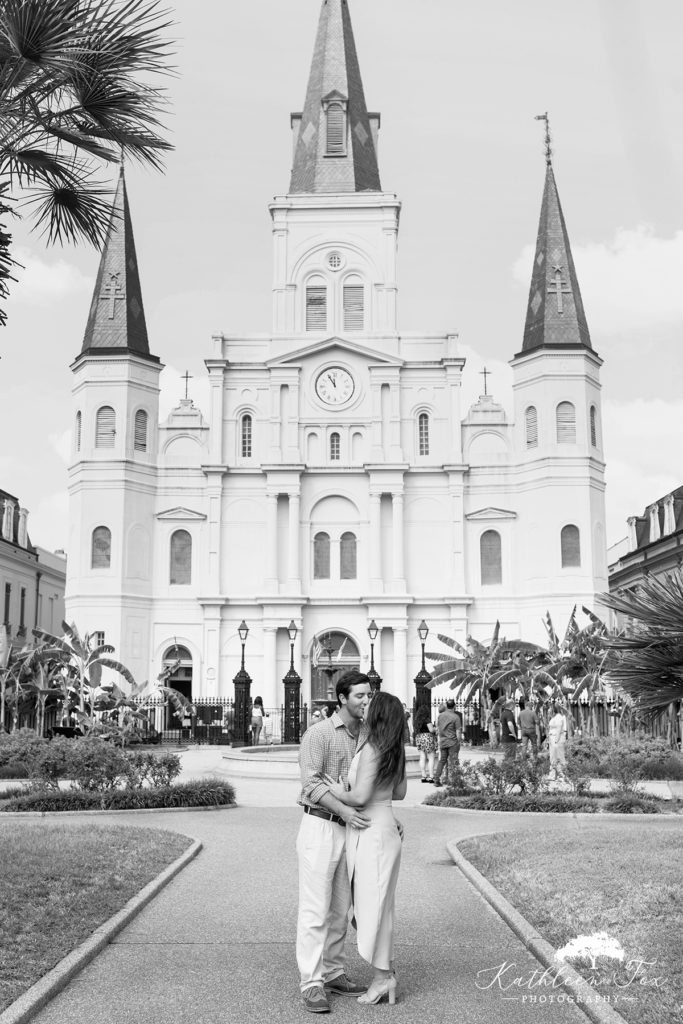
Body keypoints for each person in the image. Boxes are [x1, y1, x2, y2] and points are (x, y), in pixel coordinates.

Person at [296, 670, 372, 1014]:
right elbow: (311, 785)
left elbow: (368, 786)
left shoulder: (368, 734)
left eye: (368, 695)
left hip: (351, 828)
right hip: (321, 827)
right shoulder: (318, 734)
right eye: (359, 696)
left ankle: (334, 971)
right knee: (315, 909)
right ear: (342, 698)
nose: (366, 701)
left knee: (341, 909)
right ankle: (311, 982)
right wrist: (343, 808)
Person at [326, 691, 407, 1006]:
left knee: (371, 908)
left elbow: (359, 798)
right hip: (384, 827)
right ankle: (385, 971)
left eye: (371, 705)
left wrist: (336, 790)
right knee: (376, 907)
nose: (366, 706)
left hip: (371, 834)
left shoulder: (374, 749)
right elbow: (398, 793)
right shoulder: (394, 749)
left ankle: (382, 977)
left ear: (379, 715)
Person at [432, 699, 463, 787]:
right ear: (454, 706)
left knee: (442, 760)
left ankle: (436, 780)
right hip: (452, 742)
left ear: (447, 706)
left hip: (443, 741)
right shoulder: (456, 717)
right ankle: (454, 781)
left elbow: (438, 728)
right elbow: (458, 732)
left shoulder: (440, 716)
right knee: (454, 762)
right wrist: (459, 741)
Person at [413, 704, 437, 783]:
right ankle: (431, 776)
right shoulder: (427, 719)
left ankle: (423, 776)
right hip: (427, 737)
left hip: (419, 737)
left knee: (422, 757)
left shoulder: (416, 720)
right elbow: (431, 730)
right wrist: (435, 729)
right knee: (431, 757)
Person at [547, 701, 568, 781]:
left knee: (559, 756)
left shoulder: (559, 717)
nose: (549, 709)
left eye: (551, 708)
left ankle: (562, 775)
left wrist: (556, 741)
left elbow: (559, 729)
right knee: (553, 757)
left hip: (557, 738)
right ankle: (552, 775)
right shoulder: (554, 717)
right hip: (552, 737)